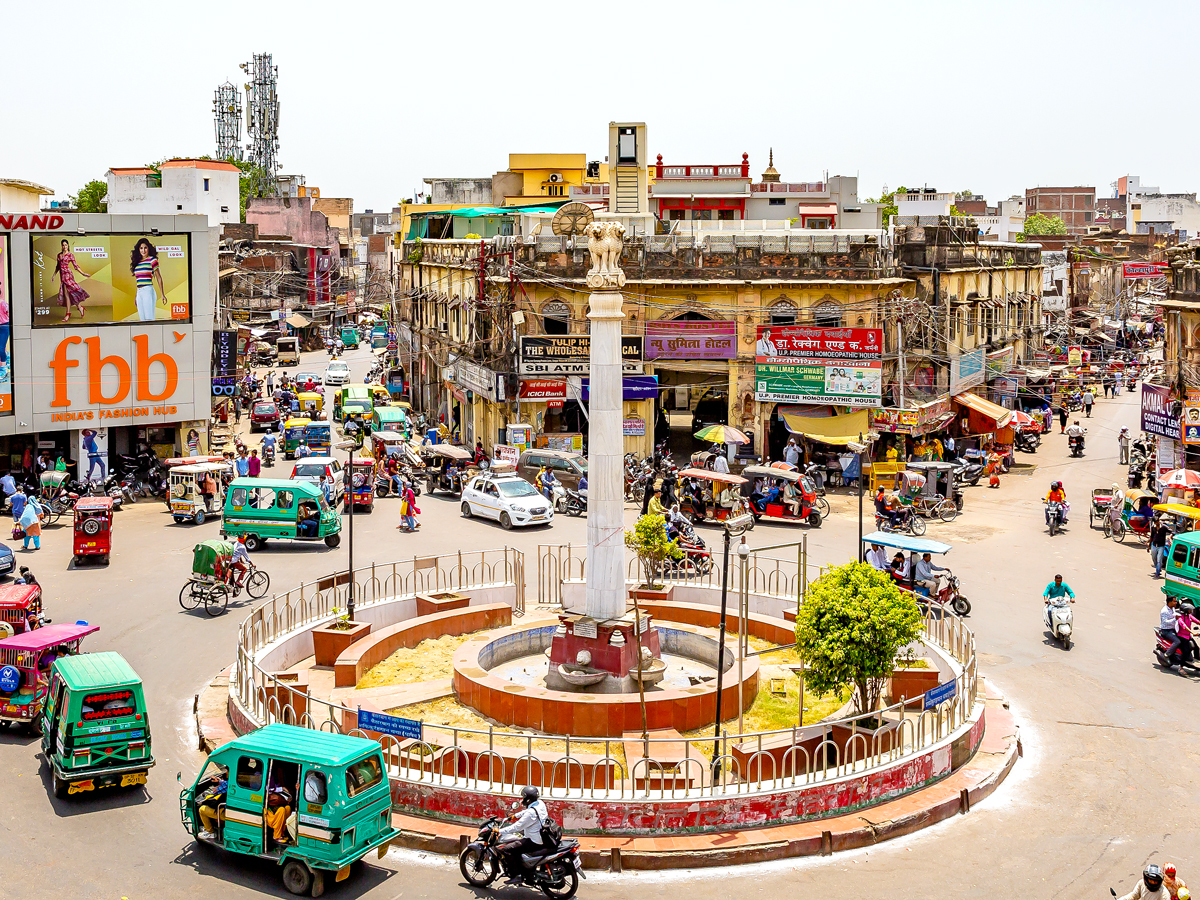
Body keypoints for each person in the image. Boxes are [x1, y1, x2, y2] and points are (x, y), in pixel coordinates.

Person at [498, 786, 548, 884]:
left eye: (523, 797)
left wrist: (500, 831)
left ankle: (517, 875)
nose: (522, 799)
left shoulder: (531, 814)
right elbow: (529, 811)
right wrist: (514, 816)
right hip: (542, 836)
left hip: (533, 841)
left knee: (507, 849)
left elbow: (517, 827)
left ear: (528, 799)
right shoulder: (540, 803)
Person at [51, 238, 91, 322]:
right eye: (63, 245)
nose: (64, 246)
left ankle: (68, 314)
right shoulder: (59, 255)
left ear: (68, 245)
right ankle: (80, 307)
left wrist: (83, 273)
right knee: (68, 294)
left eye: (66, 245)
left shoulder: (70, 255)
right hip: (62, 276)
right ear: (61, 246)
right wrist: (54, 275)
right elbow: (58, 266)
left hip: (68, 275)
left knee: (68, 293)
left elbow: (75, 266)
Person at [196, 767, 229, 839]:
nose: (226, 772)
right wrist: (219, 781)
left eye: (227, 771)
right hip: (229, 810)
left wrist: (217, 785)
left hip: (226, 812)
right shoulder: (239, 779)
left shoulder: (230, 785)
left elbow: (215, 791)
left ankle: (210, 832)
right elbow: (225, 784)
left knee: (202, 809)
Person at [1161, 596, 1184, 666]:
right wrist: (1175, 619)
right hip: (1166, 631)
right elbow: (1165, 622)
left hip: (1173, 628)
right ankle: (1167, 654)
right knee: (1177, 641)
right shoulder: (1164, 611)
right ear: (1169, 602)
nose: (1176, 603)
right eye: (1174, 601)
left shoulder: (1172, 608)